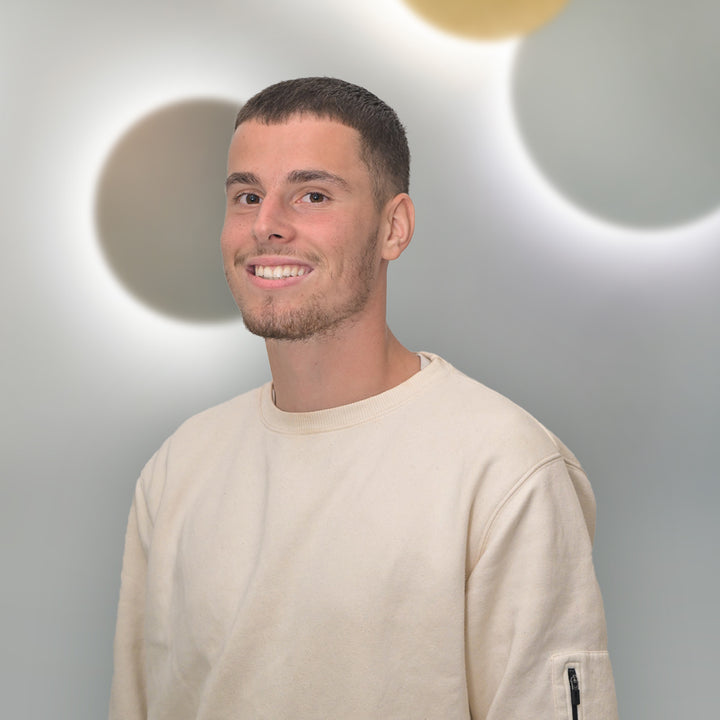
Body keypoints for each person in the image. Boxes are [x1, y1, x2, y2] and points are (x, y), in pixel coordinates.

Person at [109, 77, 618, 719]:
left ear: (393, 228)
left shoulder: (504, 471)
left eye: (312, 195)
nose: (266, 226)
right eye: (247, 196)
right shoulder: (178, 469)